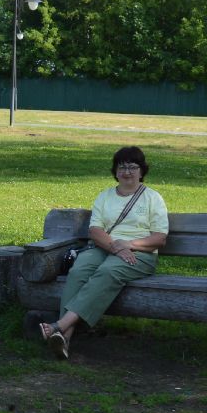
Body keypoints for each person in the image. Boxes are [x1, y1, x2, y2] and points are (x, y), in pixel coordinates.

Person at [38, 145, 168, 359]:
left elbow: (159, 238)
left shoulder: (153, 198)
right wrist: (116, 246)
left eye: (133, 167)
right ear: (115, 171)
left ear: (142, 171)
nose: (127, 171)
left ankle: (59, 326)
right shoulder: (105, 196)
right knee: (79, 270)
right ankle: (64, 338)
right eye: (122, 166)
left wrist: (128, 245)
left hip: (140, 254)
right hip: (105, 247)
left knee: (108, 271)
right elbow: (95, 230)